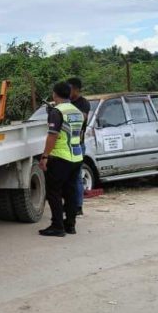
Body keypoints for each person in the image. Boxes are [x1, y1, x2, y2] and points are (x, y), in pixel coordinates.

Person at [38, 82, 85, 237]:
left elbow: (53, 135)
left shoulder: (57, 112)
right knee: (70, 192)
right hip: (76, 156)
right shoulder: (77, 111)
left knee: (54, 192)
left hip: (60, 157)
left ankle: (57, 226)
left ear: (54, 94)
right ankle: (70, 225)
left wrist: (45, 156)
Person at [67, 77, 91, 216]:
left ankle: (78, 207)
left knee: (76, 177)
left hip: (77, 145)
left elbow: (82, 117)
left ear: (76, 89)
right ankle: (70, 205)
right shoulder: (67, 102)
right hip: (65, 145)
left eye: (70, 89)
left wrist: (67, 109)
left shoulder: (83, 103)